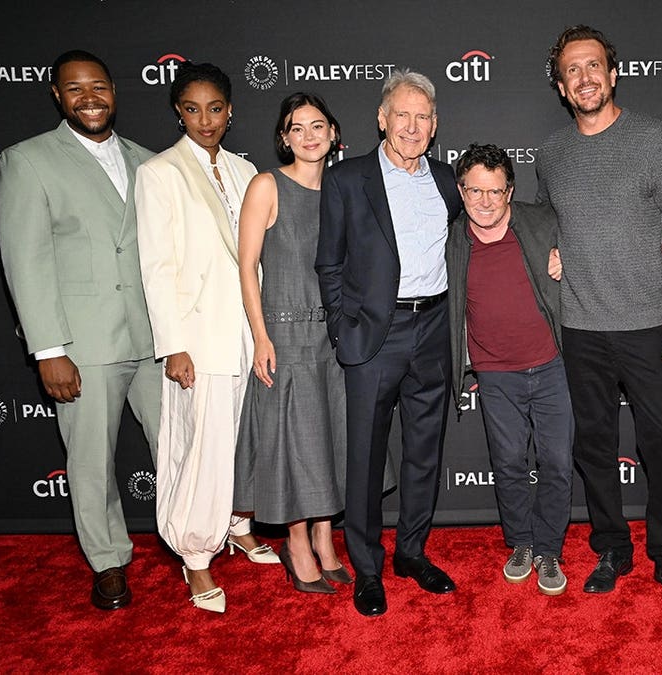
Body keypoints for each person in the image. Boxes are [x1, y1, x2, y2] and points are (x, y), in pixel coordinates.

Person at [537, 25, 662, 610]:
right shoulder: (551, 155)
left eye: (593, 66)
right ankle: (611, 547)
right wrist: (555, 251)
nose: (584, 78)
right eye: (572, 70)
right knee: (594, 446)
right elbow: (550, 223)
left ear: (613, 74)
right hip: (581, 328)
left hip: (651, 324)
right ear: (562, 87)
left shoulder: (656, 139)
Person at [0, 50, 160, 611]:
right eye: (74, 89)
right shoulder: (28, 161)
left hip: (155, 338)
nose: (89, 98)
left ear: (114, 90)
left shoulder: (147, 161)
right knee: (91, 461)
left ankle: (191, 545)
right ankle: (108, 559)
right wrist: (48, 349)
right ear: (57, 96)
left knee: (180, 448)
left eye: (98, 86)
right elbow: (25, 261)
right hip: (82, 343)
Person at [316, 70, 462, 617]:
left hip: (434, 328)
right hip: (375, 335)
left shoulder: (446, 180)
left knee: (425, 451)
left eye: (423, 117)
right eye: (402, 115)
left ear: (435, 125)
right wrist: (342, 327)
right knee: (366, 458)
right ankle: (368, 569)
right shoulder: (346, 179)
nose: (412, 126)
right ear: (382, 119)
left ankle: (412, 553)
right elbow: (329, 263)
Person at [235, 93, 377, 594]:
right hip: (286, 336)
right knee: (294, 445)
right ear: (284, 137)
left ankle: (324, 538)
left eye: (318, 125)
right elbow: (246, 268)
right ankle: (296, 544)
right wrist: (261, 336)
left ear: (334, 133)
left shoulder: (345, 190)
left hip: (335, 339)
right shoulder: (267, 186)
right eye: (297, 128)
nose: (309, 136)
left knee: (331, 443)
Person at [136, 62, 266, 614]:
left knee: (243, 437)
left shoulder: (245, 170)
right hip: (198, 335)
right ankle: (195, 555)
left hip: (248, 330)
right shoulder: (159, 172)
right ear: (178, 113)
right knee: (200, 448)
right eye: (193, 109)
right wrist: (173, 344)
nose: (205, 120)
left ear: (230, 111)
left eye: (215, 108)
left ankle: (236, 523)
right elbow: (156, 266)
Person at [446, 143, 573, 596]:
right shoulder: (451, 240)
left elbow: (588, 242)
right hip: (495, 373)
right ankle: (521, 542)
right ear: (461, 191)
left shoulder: (542, 222)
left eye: (495, 191)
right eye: (475, 191)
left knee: (557, 462)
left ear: (510, 191)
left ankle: (549, 548)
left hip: (551, 365)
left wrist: (567, 257)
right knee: (508, 463)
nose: (485, 201)